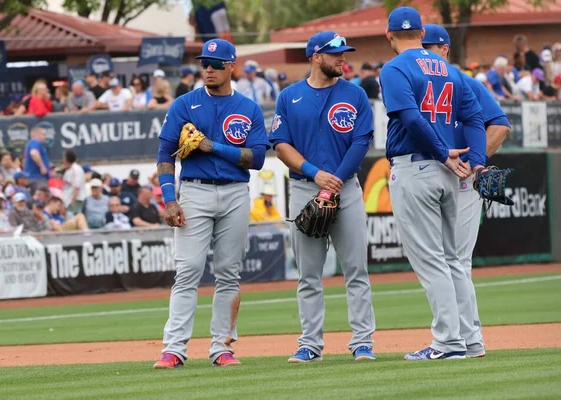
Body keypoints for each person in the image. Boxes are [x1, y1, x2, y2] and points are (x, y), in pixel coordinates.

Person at [154, 38, 269, 369]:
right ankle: (173, 348)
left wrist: (213, 147)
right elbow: (164, 155)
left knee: (229, 273)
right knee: (188, 270)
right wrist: (169, 199)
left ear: (231, 66)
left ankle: (222, 347)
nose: (208, 69)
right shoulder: (184, 104)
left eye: (216, 64)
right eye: (204, 63)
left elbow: (258, 158)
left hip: (235, 192)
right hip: (195, 190)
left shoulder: (247, 107)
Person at [380, 8, 486, 361]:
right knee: (454, 260)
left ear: (389, 35)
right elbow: (473, 118)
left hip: (418, 166)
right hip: (449, 172)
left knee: (432, 261)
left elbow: (409, 117)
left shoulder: (395, 68)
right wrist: (478, 161)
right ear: (423, 32)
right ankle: (471, 341)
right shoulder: (450, 70)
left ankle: (448, 343)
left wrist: (441, 152)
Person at [269, 31, 376, 363]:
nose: (343, 58)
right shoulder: (289, 96)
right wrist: (315, 173)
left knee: (356, 269)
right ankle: (310, 345)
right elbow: (281, 144)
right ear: (316, 57)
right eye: (336, 54)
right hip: (304, 187)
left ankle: (362, 342)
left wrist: (334, 181)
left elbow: (361, 143)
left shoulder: (355, 94)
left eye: (344, 53)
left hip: (347, 188)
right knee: (308, 275)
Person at [422, 24, 511, 359]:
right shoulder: (416, 84)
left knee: (456, 260)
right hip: (431, 178)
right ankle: (456, 338)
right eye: (422, 46)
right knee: (444, 261)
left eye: (432, 47)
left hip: (461, 182)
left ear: (445, 49)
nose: (426, 52)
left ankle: (465, 340)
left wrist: (476, 161)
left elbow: (499, 125)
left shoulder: (465, 82)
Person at [23, 126, 50, 194]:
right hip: (37, 178)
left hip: (34, 178)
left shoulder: (30, 144)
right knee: (42, 199)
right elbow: (34, 153)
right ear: (37, 135)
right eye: (43, 134)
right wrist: (42, 166)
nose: (45, 137)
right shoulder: (35, 142)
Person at [62, 149, 87, 215]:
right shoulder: (68, 170)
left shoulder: (75, 169)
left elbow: (76, 186)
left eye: (64, 158)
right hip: (68, 202)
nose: (63, 160)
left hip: (75, 202)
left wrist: (72, 202)